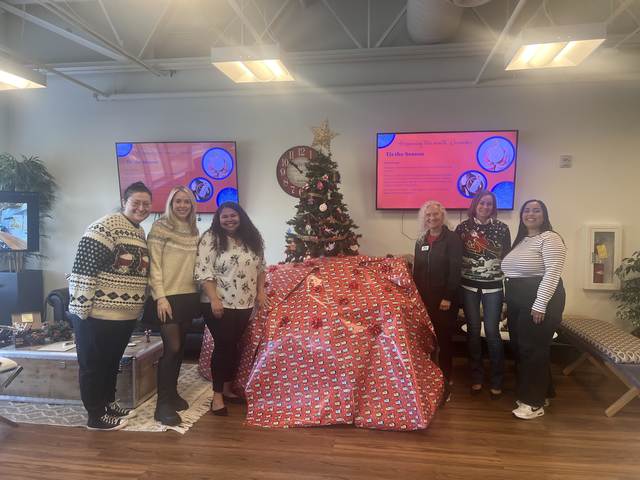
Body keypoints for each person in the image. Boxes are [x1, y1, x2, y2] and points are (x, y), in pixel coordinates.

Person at [68, 181, 152, 431]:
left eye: (146, 204)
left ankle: (108, 403)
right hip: (97, 314)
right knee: (93, 365)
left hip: (124, 315)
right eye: (136, 202)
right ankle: (95, 416)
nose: (141, 208)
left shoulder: (139, 232)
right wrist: (82, 309)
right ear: (124, 201)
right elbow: (84, 267)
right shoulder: (105, 226)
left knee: (111, 363)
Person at [194, 202, 267, 416]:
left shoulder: (252, 238)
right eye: (224, 216)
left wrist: (260, 292)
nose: (229, 220)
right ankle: (217, 397)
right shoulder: (210, 238)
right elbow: (204, 270)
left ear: (240, 216)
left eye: (233, 215)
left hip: (245, 302)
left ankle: (227, 389)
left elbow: (261, 267)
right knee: (223, 345)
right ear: (218, 219)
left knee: (232, 345)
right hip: (218, 302)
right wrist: (214, 298)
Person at [502, 199, 566, 420]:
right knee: (523, 348)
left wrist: (540, 304)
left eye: (536, 210)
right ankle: (543, 393)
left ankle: (533, 403)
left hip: (538, 300)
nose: (531, 214)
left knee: (533, 349)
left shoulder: (550, 238)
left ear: (544, 214)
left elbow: (552, 272)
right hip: (518, 300)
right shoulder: (523, 240)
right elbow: (512, 275)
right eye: (527, 210)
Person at [146, 186, 201, 426]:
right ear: (170, 203)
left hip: (189, 295)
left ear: (192, 205)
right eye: (178, 201)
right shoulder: (160, 227)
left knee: (180, 350)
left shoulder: (193, 229)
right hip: (167, 297)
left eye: (186, 201)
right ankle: (162, 405)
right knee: (172, 348)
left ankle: (173, 394)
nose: (182, 205)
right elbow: (154, 265)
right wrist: (160, 296)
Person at [455, 191, 511, 398]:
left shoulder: (502, 228)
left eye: (489, 204)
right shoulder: (462, 228)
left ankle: (497, 380)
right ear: (475, 205)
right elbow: (457, 256)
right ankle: (476, 377)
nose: (485, 207)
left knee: (492, 332)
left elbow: (507, 257)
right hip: (468, 286)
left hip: (493, 287)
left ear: (493, 207)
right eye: (482, 203)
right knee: (472, 331)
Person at [413, 200, 462, 403]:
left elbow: (455, 270)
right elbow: (417, 271)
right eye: (428, 215)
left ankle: (445, 382)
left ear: (442, 217)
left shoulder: (452, 239)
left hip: (444, 301)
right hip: (424, 300)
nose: (432, 218)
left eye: (436, 214)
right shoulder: (421, 240)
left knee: (444, 341)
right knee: (427, 342)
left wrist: (448, 297)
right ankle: (429, 379)